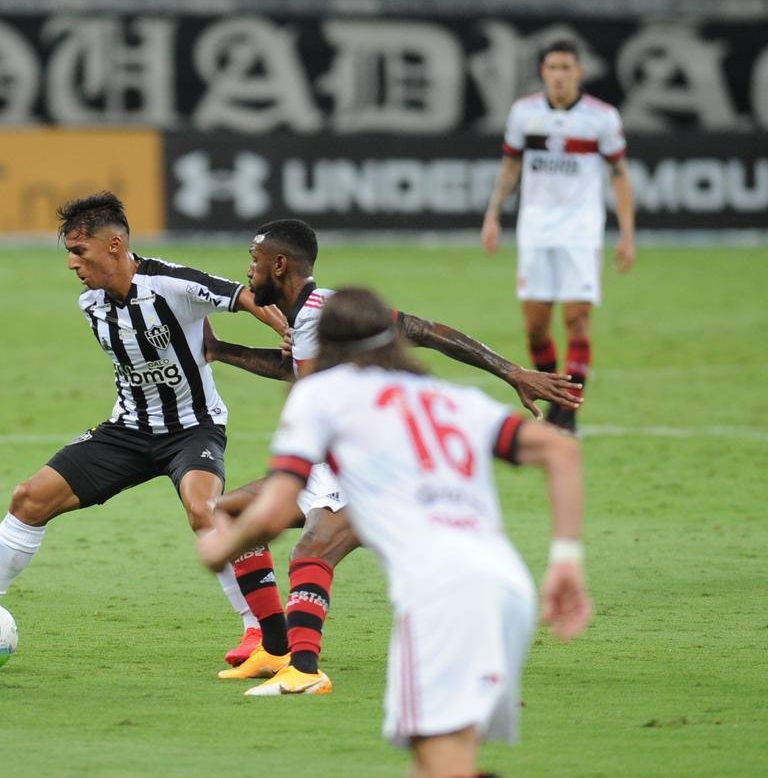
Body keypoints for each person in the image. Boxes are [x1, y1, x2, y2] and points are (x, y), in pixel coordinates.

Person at [198, 286, 592, 778]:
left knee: (442, 763)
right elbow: (562, 451)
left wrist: (219, 549)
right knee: (436, 762)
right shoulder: (449, 397)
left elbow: (276, 507)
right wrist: (566, 559)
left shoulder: (321, 395)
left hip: (441, 593)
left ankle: (300, 665)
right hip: (507, 585)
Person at [0, 192, 288, 653]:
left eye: (78, 251)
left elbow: (245, 297)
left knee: (205, 510)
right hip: (126, 430)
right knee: (29, 499)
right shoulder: (92, 304)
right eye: (69, 252)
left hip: (192, 428)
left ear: (114, 245)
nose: (71, 264)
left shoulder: (172, 283)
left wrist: (287, 333)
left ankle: (257, 631)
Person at [481, 38, 636, 433]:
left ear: (578, 72)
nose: (559, 75)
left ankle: (568, 408)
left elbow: (619, 176)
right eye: (552, 68)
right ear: (543, 73)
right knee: (535, 326)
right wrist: (493, 215)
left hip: (582, 232)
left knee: (577, 321)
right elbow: (511, 166)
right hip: (535, 231)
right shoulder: (524, 113)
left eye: (566, 68)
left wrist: (627, 234)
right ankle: (553, 392)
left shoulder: (602, 117)